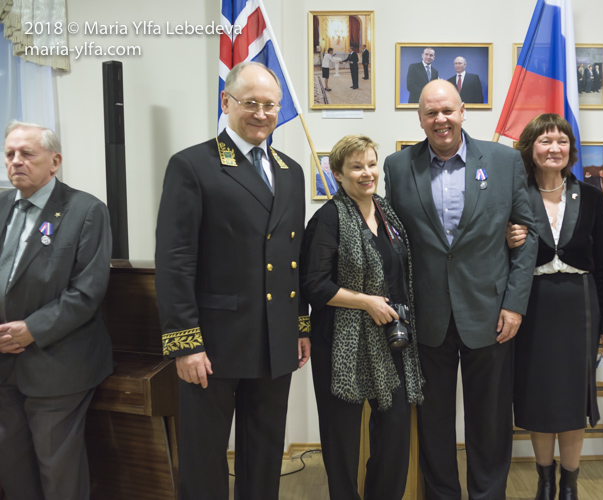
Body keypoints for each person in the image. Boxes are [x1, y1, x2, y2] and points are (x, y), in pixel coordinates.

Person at [155, 61, 310, 499]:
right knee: (204, 461)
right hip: (214, 344)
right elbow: (175, 261)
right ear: (226, 102)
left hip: (275, 340)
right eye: (250, 103)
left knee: (264, 458)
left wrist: (299, 326)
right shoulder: (193, 165)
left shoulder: (290, 170)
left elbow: (292, 258)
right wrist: (185, 343)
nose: (261, 114)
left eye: (270, 105)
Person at [384, 80, 538, 499]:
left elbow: (529, 237)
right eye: (431, 113)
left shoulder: (504, 161)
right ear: (420, 119)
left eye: (447, 110)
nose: (441, 120)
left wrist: (515, 304)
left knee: (490, 420)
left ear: (463, 111)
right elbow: (393, 241)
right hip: (426, 315)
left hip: (491, 313)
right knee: (433, 420)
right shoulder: (397, 167)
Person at [301, 135, 424, 499]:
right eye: (356, 167)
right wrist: (366, 302)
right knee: (342, 440)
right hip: (341, 343)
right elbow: (314, 285)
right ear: (338, 174)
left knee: (395, 433)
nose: (367, 173)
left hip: (391, 340)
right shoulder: (327, 219)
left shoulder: (387, 212)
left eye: (371, 164)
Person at [507, 114, 603, 500]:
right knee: (539, 396)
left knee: (573, 400)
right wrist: (506, 238)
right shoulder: (515, 195)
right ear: (530, 148)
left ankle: (570, 483)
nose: (554, 148)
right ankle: (544, 480)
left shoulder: (590, 196)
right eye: (545, 141)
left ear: (571, 149)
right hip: (532, 307)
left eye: (561, 141)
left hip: (580, 307)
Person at [0, 121, 113, 499]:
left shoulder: (86, 210)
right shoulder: (2, 206)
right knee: (12, 468)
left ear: (55, 161)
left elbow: (86, 292)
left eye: (27, 153)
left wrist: (31, 330)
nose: (16, 161)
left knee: (58, 472)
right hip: (4, 363)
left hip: (57, 363)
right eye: (10, 154)